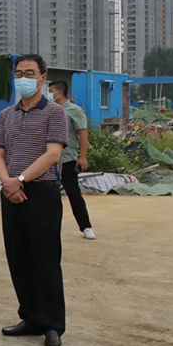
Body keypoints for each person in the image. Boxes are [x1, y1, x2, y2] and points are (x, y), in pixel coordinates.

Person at [0, 54, 68, 346]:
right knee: (18, 257)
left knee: (45, 259)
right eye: (19, 72)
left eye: (30, 73)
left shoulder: (54, 113)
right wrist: (7, 183)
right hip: (11, 193)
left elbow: (53, 154)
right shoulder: (6, 115)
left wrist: (21, 179)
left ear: (42, 78)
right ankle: (30, 318)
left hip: (41, 192)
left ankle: (52, 324)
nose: (23, 77)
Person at [50, 81, 96, 240]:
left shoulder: (74, 110)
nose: (49, 94)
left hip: (67, 158)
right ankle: (50, 228)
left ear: (60, 92)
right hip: (48, 160)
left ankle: (86, 226)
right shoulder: (48, 110)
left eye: (51, 91)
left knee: (73, 193)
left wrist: (83, 157)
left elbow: (83, 134)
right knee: (50, 196)